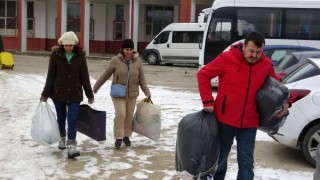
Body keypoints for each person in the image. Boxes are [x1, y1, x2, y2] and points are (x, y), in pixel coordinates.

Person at [197, 32, 290, 180]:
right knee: (220, 161)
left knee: (246, 162)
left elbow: (278, 88)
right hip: (224, 120)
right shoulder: (228, 58)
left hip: (249, 122)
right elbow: (203, 74)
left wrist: (286, 104)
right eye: (251, 51)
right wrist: (207, 101)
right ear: (244, 46)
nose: (254, 55)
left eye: (258, 52)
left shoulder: (265, 64)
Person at [40, 31, 94, 159]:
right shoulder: (55, 55)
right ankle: (62, 138)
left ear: (75, 44)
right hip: (58, 93)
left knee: (73, 119)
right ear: (62, 45)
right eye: (66, 46)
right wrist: (45, 94)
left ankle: (71, 145)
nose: (68, 48)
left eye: (71, 45)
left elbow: (84, 76)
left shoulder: (80, 56)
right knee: (61, 118)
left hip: (75, 93)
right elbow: (51, 75)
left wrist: (89, 94)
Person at [93, 39, 151, 149]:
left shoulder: (137, 61)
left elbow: (142, 78)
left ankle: (126, 136)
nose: (128, 51)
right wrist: (96, 87)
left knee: (129, 116)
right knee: (121, 114)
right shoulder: (115, 60)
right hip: (118, 93)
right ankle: (118, 137)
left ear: (133, 50)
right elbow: (106, 75)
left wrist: (147, 92)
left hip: (132, 94)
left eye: (130, 49)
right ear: (122, 50)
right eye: (126, 49)